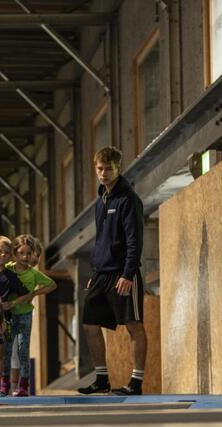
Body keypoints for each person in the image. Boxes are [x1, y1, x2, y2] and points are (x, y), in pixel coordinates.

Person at [78, 146, 147, 396]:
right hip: (102, 273)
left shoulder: (128, 199)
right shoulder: (101, 201)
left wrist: (127, 274)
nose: (103, 173)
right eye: (99, 168)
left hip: (122, 273)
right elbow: (101, 241)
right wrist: (95, 272)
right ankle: (101, 379)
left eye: (108, 168)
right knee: (90, 325)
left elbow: (134, 241)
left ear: (118, 168)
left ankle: (136, 382)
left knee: (133, 325)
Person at [5, 234, 56, 397]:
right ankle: (7, 384)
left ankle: (23, 385)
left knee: (22, 349)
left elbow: (52, 285)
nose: (25, 257)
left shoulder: (33, 274)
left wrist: (34, 293)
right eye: (21, 253)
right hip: (9, 315)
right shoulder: (8, 268)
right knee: (7, 349)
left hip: (25, 314)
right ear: (15, 253)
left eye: (28, 253)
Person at [0, 235, 32, 396]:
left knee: (1, 353)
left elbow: (26, 294)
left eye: (7, 253)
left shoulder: (10, 276)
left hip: (3, 318)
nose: (3, 255)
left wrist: (11, 304)